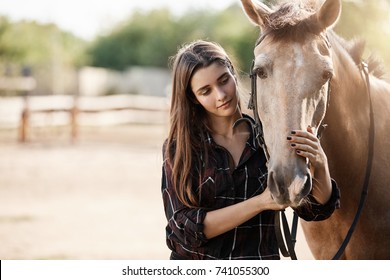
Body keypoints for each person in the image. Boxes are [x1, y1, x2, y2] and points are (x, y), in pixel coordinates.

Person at [161, 40, 340, 260]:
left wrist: (321, 165)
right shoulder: (181, 147)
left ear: (234, 75)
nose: (221, 95)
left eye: (224, 80)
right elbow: (183, 228)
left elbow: (315, 210)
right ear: (193, 99)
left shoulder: (270, 139)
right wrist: (260, 203)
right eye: (206, 91)